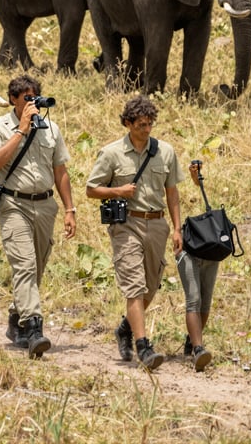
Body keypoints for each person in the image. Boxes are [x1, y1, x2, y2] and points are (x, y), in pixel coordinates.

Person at [0, 74, 76, 359]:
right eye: (26, 99)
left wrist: (70, 209)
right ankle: (34, 328)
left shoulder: (51, 129)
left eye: (35, 98)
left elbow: (60, 171)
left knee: (36, 268)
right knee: (24, 265)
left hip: (45, 206)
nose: (31, 104)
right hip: (13, 204)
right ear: (13, 99)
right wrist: (20, 131)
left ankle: (16, 317)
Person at [86, 95, 184, 370]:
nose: (147, 129)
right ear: (128, 123)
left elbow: (173, 193)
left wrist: (177, 229)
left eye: (150, 123)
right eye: (141, 124)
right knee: (134, 286)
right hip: (126, 225)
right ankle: (143, 346)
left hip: (157, 225)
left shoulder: (165, 151)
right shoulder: (111, 153)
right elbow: (91, 189)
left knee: (150, 287)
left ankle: (125, 328)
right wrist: (118, 190)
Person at [177, 160, 220, 372]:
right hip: (187, 245)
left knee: (205, 302)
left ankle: (192, 342)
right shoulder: (168, 186)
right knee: (193, 299)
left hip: (210, 244)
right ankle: (198, 349)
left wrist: (198, 180)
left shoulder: (209, 181)